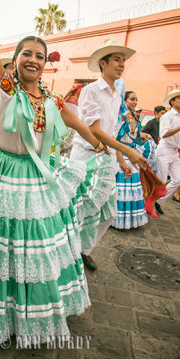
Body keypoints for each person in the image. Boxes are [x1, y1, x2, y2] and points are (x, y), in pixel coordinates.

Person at [0, 1, 121, 344]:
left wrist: (100, 144)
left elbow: (74, 119)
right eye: (26, 54)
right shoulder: (3, 88)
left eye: (39, 56)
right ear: (15, 59)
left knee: (34, 247)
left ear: (45, 64)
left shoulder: (51, 98)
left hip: (37, 179)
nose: (33, 60)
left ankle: (27, 313)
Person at [71, 40, 147, 269]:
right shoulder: (91, 90)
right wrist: (127, 151)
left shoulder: (116, 94)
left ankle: (83, 249)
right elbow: (93, 129)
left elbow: (111, 131)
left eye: (123, 61)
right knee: (79, 209)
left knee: (108, 213)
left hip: (107, 159)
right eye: (117, 59)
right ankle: (70, 253)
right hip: (86, 156)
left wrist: (121, 159)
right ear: (102, 64)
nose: (122, 64)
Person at [112, 91, 152, 229]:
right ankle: (116, 219)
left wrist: (143, 135)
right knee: (122, 188)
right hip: (121, 154)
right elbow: (115, 137)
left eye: (136, 99)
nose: (135, 102)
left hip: (132, 153)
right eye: (132, 99)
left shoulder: (133, 116)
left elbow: (132, 135)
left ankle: (130, 219)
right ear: (124, 101)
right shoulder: (120, 117)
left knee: (133, 188)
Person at [155, 90, 180, 214]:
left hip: (175, 151)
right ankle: (150, 202)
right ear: (172, 101)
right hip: (164, 149)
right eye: (179, 98)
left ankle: (158, 201)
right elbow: (164, 134)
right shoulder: (167, 116)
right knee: (161, 180)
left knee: (178, 179)